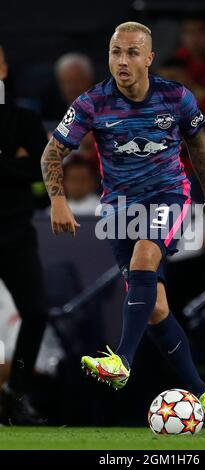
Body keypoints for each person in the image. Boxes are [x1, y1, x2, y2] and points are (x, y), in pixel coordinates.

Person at [41, 21, 205, 429]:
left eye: (132, 53)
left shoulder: (176, 97)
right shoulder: (92, 102)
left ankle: (122, 360)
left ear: (149, 58)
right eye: (116, 52)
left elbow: (196, 145)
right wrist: (58, 200)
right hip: (119, 210)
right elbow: (50, 155)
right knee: (155, 309)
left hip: (169, 197)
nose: (123, 60)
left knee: (147, 255)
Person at [0, 44, 48, 424]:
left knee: (36, 311)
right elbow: (26, 168)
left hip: (15, 230)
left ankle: (15, 393)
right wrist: (11, 161)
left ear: (3, 67)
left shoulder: (24, 120)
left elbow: (43, 169)